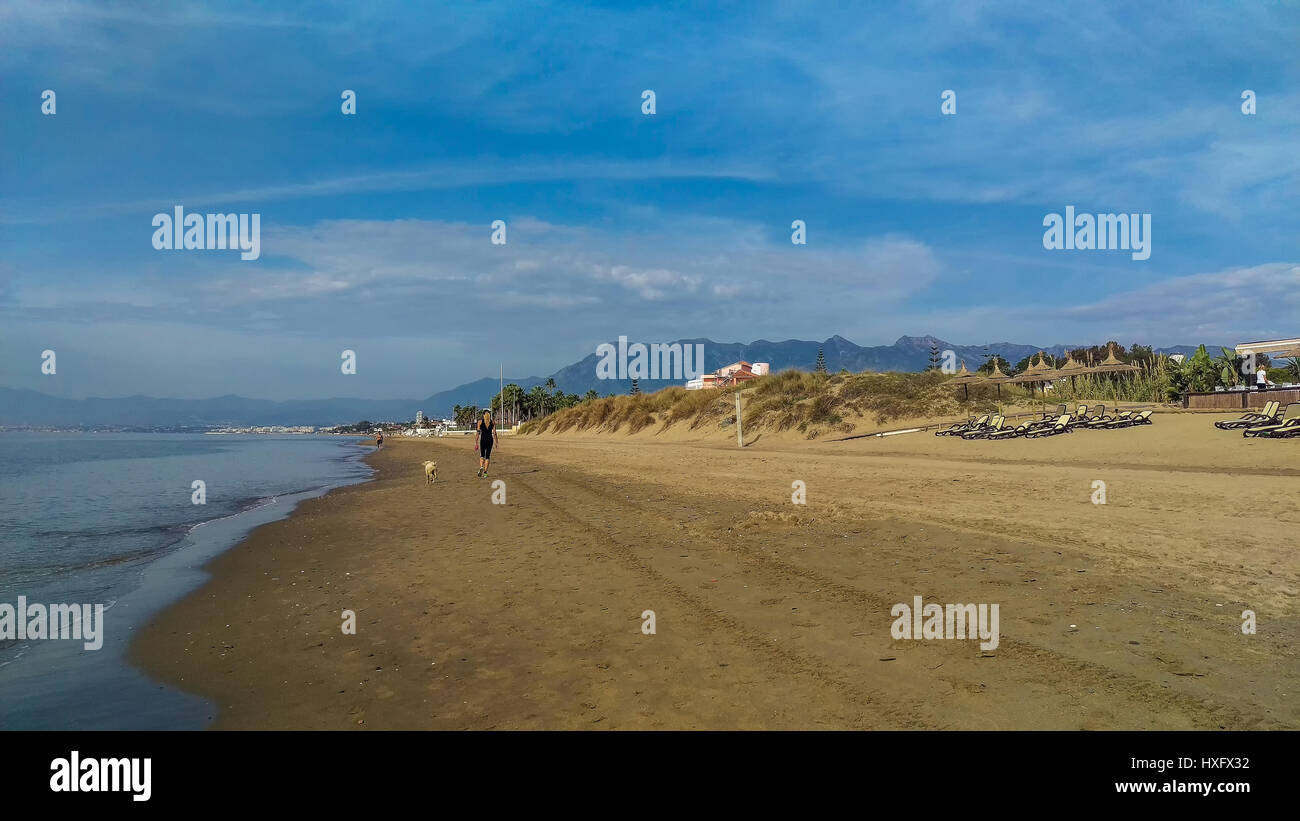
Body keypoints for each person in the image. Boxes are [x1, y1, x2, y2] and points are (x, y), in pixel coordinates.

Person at [475, 410, 498, 478]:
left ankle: (482, 466)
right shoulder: (493, 422)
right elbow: (494, 433)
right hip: (490, 440)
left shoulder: (480, 422)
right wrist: (496, 442)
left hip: (483, 440)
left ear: (483, 415)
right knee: (487, 456)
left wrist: (476, 442)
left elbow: (478, 433)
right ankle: (485, 473)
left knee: (482, 455)